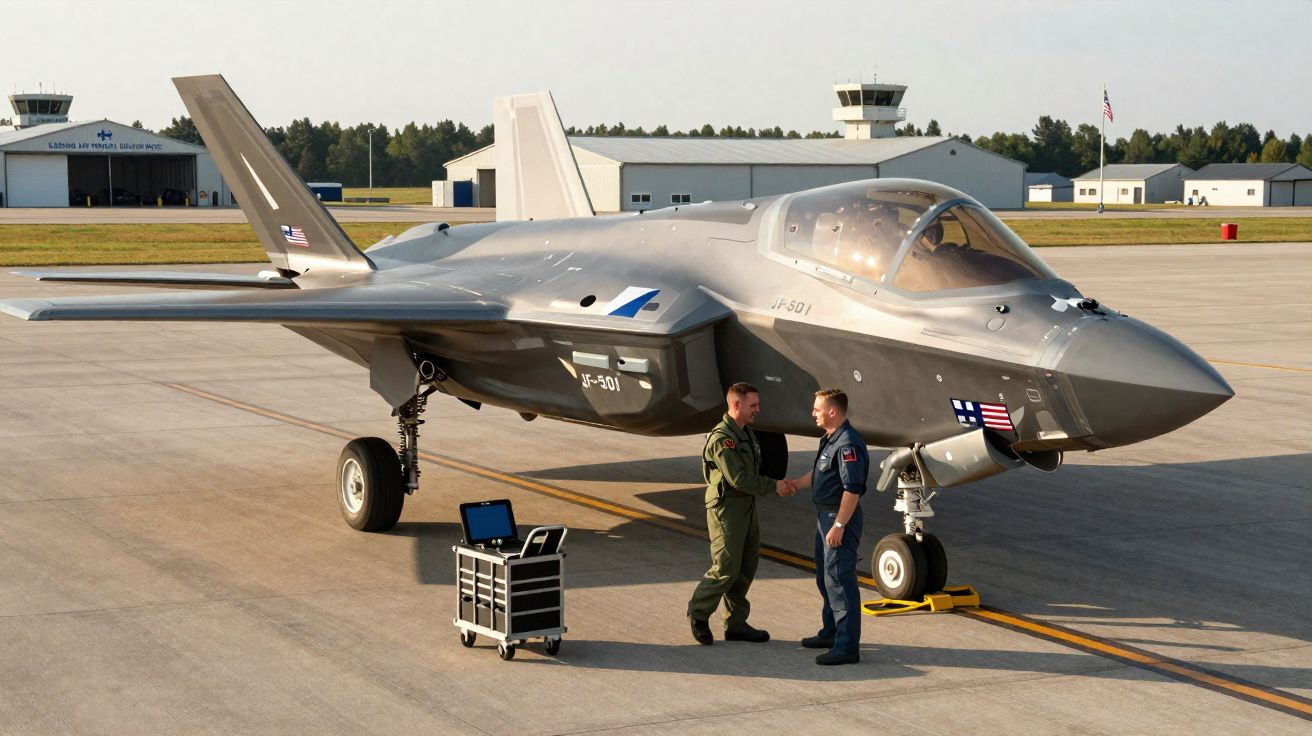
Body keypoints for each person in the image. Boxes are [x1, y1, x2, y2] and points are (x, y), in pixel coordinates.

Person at [687, 382, 795, 645]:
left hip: (746, 505)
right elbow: (738, 477)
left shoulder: (745, 433)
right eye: (753, 405)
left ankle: (735, 623)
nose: (758, 410)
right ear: (736, 405)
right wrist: (774, 486)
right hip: (727, 509)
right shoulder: (723, 438)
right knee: (726, 567)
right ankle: (698, 613)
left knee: (746, 566)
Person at [786, 389, 869, 665]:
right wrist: (797, 484)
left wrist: (839, 525)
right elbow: (822, 471)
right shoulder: (831, 439)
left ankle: (846, 647)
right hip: (826, 517)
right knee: (825, 577)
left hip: (838, 518)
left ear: (832, 411)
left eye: (817, 408)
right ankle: (831, 632)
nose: (813, 413)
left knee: (840, 582)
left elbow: (852, 490)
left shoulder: (848, 444)